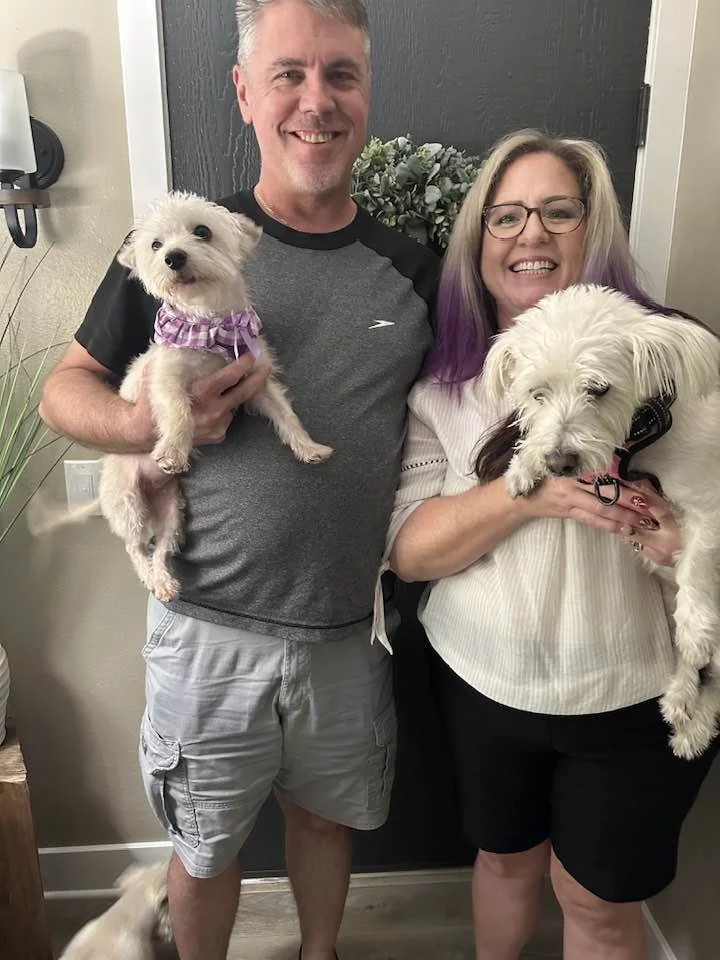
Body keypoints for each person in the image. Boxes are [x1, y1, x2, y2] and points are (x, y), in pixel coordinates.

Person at [39, 2, 438, 959]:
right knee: (206, 846)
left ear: (367, 91)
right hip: (206, 629)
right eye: (289, 74)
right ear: (245, 92)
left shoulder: (413, 271)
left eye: (340, 74)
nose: (316, 100)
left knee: (326, 823)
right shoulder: (174, 246)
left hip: (346, 630)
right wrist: (141, 425)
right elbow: (63, 391)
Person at [383, 129, 719, 960]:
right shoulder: (448, 385)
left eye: (558, 212)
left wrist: (683, 543)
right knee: (503, 862)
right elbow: (410, 553)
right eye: (505, 217)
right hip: (483, 680)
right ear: (478, 242)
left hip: (634, 693)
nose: (530, 233)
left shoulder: (669, 364)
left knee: (596, 904)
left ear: (594, 228)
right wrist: (527, 495)